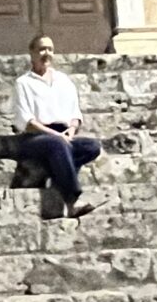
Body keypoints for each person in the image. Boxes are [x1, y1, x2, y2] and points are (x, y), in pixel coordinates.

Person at [12, 34, 102, 217]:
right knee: (58, 145)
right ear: (32, 53)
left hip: (63, 135)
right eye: (42, 49)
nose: (47, 54)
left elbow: (75, 113)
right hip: (35, 137)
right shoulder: (23, 83)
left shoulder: (63, 81)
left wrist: (71, 130)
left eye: (50, 49)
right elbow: (27, 122)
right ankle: (72, 201)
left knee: (92, 147)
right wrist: (57, 136)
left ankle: (57, 173)